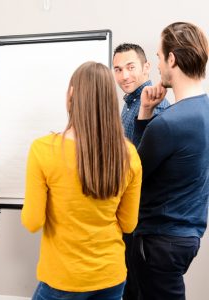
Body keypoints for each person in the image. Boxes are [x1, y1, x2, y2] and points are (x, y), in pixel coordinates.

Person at [21, 61, 143, 300]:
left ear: (72, 94)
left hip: (63, 278)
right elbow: (128, 225)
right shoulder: (129, 155)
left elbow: (32, 221)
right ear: (110, 100)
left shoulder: (43, 149)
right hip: (111, 276)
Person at [131, 22, 209, 300]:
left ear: (172, 59)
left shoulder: (169, 123)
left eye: (159, 57)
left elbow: (133, 174)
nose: (159, 64)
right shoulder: (203, 111)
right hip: (188, 236)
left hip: (159, 241)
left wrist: (144, 115)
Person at [112, 43, 170, 300]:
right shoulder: (130, 103)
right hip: (131, 215)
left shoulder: (152, 103)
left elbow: (146, 165)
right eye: (118, 69)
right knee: (130, 286)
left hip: (143, 217)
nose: (124, 75)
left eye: (131, 67)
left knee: (138, 289)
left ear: (146, 67)